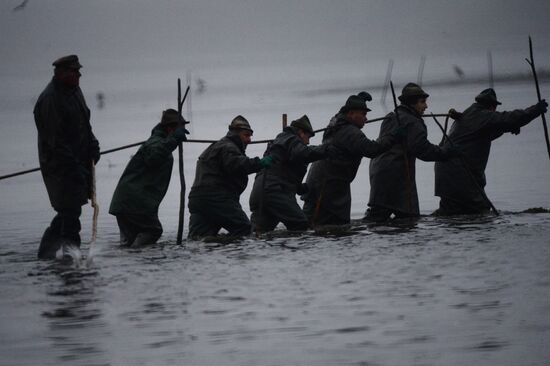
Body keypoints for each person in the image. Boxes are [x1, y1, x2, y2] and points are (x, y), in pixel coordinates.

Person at [434, 88, 548, 215]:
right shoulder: (482, 115)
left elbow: (483, 133)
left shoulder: (469, 114)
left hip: (446, 175)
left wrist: (508, 128)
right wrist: (536, 110)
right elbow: (509, 118)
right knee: (479, 212)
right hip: (460, 176)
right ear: (492, 107)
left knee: (451, 213)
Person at [34, 55, 100, 259]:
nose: (79, 74)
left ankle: (47, 254)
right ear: (62, 73)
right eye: (74, 71)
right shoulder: (50, 99)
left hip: (78, 163)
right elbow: (56, 142)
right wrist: (74, 167)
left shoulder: (74, 91)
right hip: (59, 169)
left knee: (69, 212)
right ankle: (73, 258)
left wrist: (93, 143)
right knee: (70, 213)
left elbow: (84, 123)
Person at [302, 93, 402, 226]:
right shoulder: (349, 132)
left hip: (324, 182)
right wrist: (393, 136)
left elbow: (342, 111)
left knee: (324, 225)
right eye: (363, 114)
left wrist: (359, 99)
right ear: (351, 113)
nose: (366, 119)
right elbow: (372, 149)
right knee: (324, 224)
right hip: (328, 187)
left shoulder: (336, 121)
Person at [365, 83, 458, 222]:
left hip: (378, 171)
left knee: (380, 216)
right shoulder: (413, 122)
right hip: (396, 175)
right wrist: (445, 152)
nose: (426, 106)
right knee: (409, 219)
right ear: (412, 103)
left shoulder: (391, 116)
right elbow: (422, 150)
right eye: (422, 102)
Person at [109, 109, 189, 247]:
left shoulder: (160, 142)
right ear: (170, 128)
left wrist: (172, 140)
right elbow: (154, 157)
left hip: (128, 201)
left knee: (128, 243)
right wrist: (174, 139)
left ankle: (128, 263)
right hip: (134, 202)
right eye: (180, 129)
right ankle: (137, 256)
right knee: (153, 230)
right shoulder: (155, 142)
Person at [187, 116, 273, 239]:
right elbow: (237, 164)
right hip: (217, 198)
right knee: (243, 229)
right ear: (236, 134)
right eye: (246, 135)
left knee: (199, 238)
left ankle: (210, 255)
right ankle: (231, 254)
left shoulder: (216, 146)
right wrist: (259, 163)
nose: (249, 140)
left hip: (197, 200)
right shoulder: (228, 147)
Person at [249, 115, 334, 232]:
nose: (308, 142)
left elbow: (283, 170)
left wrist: (299, 187)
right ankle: (291, 249)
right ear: (300, 132)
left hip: (260, 193)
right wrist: (327, 149)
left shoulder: (280, 142)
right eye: (308, 137)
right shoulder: (291, 139)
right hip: (274, 192)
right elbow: (303, 153)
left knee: (258, 232)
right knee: (300, 224)